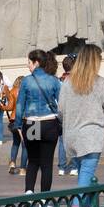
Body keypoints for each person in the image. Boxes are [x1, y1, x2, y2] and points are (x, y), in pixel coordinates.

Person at [59, 45, 104, 207]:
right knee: (87, 171)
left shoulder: (67, 83)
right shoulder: (100, 83)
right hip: (91, 134)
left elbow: (60, 111)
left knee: (86, 171)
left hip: (71, 135)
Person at [15, 49, 63, 192]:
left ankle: (29, 193)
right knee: (47, 164)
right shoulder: (54, 80)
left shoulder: (26, 81)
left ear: (36, 63)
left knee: (33, 160)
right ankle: (44, 200)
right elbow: (61, 105)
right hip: (49, 122)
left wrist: (18, 124)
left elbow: (19, 104)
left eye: (29, 63)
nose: (28, 66)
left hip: (32, 123)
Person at [56, 55, 75, 176]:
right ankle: (73, 166)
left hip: (61, 112)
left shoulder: (59, 80)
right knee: (73, 140)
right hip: (73, 113)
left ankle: (62, 167)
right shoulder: (76, 80)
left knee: (62, 141)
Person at [6, 75, 27, 174]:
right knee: (25, 145)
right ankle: (23, 168)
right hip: (24, 119)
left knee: (15, 143)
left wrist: (3, 107)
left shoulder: (13, 91)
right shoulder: (26, 91)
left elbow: (10, 107)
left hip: (13, 120)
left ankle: (12, 163)